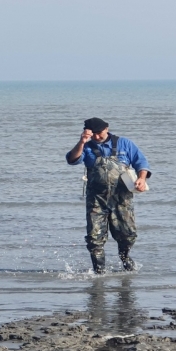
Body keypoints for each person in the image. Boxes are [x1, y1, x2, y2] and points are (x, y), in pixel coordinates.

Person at [66, 117, 151, 274]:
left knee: (128, 235)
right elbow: (72, 159)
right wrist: (82, 141)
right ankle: (99, 272)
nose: (97, 137)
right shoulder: (86, 146)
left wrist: (141, 178)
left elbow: (142, 162)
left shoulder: (125, 143)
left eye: (99, 133)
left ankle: (125, 257)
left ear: (106, 129)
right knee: (94, 239)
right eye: (93, 134)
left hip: (122, 198)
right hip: (96, 200)